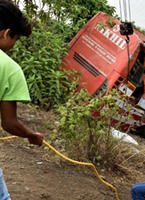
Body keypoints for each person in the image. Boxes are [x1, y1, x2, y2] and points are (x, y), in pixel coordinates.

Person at [0, 1, 45, 199]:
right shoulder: (9, 68)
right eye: (15, 39)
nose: (13, 45)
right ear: (5, 33)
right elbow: (9, 123)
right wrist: (31, 135)